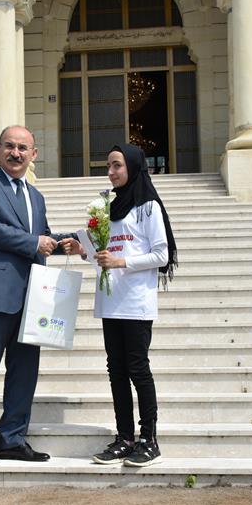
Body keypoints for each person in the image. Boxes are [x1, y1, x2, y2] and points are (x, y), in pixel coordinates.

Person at [0, 125, 75, 466]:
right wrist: (34, 242)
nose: (16, 153)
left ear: (33, 154)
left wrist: (65, 241)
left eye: (23, 148)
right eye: (9, 146)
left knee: (24, 373)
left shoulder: (35, 196)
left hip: (33, 296)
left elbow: (41, 237)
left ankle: (13, 438)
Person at [63, 143, 178, 467]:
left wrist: (120, 261)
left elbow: (161, 255)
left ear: (132, 168)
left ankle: (149, 439)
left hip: (136, 302)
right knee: (116, 371)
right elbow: (103, 255)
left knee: (138, 369)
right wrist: (83, 250)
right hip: (110, 301)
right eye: (109, 166)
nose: (110, 172)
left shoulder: (148, 208)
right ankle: (124, 437)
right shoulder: (107, 209)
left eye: (117, 166)